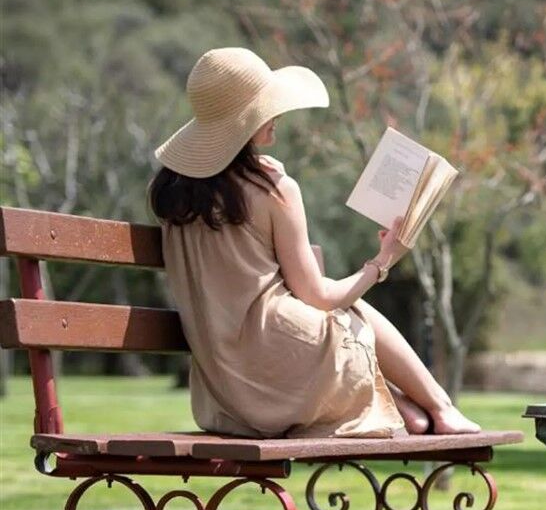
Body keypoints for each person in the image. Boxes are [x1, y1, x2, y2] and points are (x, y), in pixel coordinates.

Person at [149, 47, 480, 438]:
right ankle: (441, 407)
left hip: (225, 393)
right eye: (266, 109)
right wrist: (383, 260)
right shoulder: (273, 191)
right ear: (244, 122)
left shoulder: (171, 197)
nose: (277, 116)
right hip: (287, 366)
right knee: (351, 306)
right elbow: (319, 296)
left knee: (351, 325)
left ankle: (414, 411)